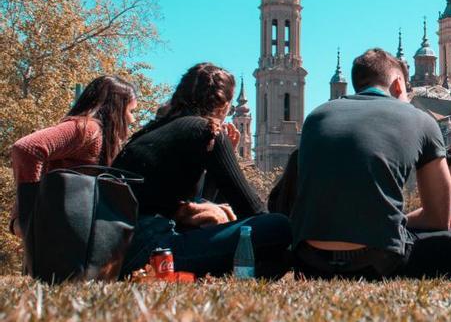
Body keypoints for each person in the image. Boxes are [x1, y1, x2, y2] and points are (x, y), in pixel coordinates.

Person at [289, 48, 451, 279]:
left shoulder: (316, 116)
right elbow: (438, 219)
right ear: (397, 84)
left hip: (310, 260)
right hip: (377, 260)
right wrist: (393, 219)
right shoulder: (421, 120)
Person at [114, 63, 292, 279]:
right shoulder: (208, 131)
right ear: (223, 105)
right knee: (279, 227)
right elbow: (253, 211)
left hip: (115, 245)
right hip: (152, 251)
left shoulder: (152, 129)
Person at [10, 75, 137, 237]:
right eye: (131, 111)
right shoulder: (89, 129)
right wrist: (29, 212)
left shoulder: (96, 135)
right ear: (116, 108)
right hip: (60, 239)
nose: (132, 119)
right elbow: (26, 148)